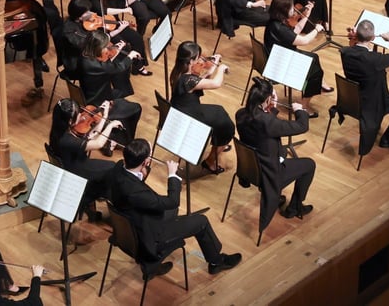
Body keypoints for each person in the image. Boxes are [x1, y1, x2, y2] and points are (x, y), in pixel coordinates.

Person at [107, 138, 242, 277]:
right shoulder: (137, 193)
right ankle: (216, 262)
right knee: (201, 222)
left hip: (133, 222)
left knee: (171, 211)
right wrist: (172, 175)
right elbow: (172, 201)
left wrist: (142, 172)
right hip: (149, 234)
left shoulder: (118, 168)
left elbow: (136, 186)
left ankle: (162, 252)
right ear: (145, 162)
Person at [235, 77, 316, 229]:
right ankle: (294, 207)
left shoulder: (241, 114)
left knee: (283, 153)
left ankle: (281, 198)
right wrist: (300, 110)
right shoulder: (268, 123)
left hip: (251, 169)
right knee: (309, 165)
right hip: (269, 173)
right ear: (266, 99)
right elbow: (301, 126)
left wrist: (270, 107)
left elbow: (263, 120)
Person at [339, 20, 389, 152]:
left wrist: (354, 38)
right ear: (373, 37)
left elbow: (354, 48)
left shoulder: (345, 52)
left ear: (356, 36)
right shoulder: (376, 60)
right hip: (375, 104)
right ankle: (388, 137)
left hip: (352, 101)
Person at [169, 42, 235, 175]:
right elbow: (215, 84)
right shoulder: (187, 80)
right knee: (226, 124)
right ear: (191, 60)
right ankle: (211, 160)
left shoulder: (179, 72)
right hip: (189, 117)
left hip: (182, 110)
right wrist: (221, 68)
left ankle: (219, 142)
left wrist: (212, 68)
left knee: (219, 112)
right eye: (198, 58)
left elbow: (198, 82)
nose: (201, 60)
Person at [264, 0, 329, 114]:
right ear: (284, 10)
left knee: (314, 58)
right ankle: (303, 107)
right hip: (279, 64)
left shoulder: (276, 22)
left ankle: (314, 86)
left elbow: (295, 33)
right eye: (291, 7)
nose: (294, 9)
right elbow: (303, 40)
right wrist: (316, 29)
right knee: (315, 72)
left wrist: (305, 16)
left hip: (279, 56)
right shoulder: (279, 27)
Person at [77, 29, 144, 146]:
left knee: (122, 92)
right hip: (98, 102)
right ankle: (124, 141)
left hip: (91, 93)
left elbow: (107, 66)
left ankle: (114, 133)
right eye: (105, 47)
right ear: (97, 48)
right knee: (136, 108)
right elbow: (119, 67)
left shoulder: (84, 56)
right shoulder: (97, 65)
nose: (107, 49)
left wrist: (114, 52)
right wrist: (130, 56)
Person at [48, 98, 121, 200]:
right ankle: (97, 194)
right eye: (78, 114)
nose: (81, 115)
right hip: (76, 170)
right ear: (70, 121)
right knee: (113, 167)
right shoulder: (67, 140)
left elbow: (92, 134)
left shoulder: (59, 129)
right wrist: (111, 125)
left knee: (110, 167)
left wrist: (105, 116)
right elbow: (98, 143)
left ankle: (98, 192)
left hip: (71, 162)